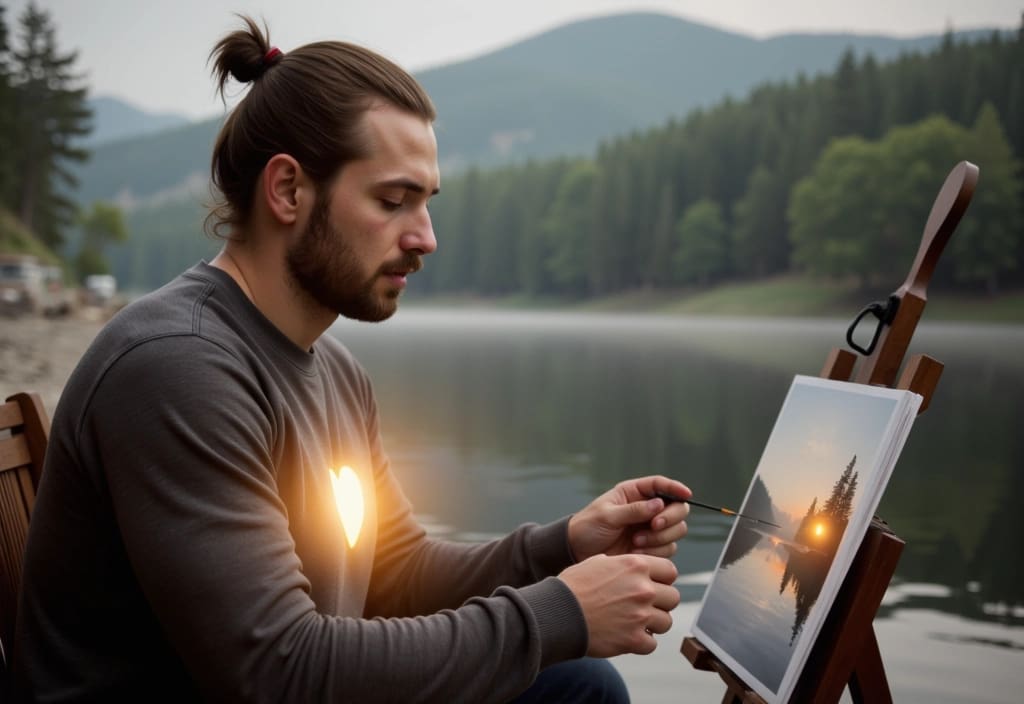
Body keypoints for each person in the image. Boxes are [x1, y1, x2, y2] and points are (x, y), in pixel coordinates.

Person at [13, 16, 692, 703]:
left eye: (425, 204)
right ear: (286, 191)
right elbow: (277, 669)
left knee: (576, 682)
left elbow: (394, 576)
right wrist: (559, 614)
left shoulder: (333, 373)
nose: (425, 237)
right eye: (392, 201)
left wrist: (563, 546)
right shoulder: (177, 367)